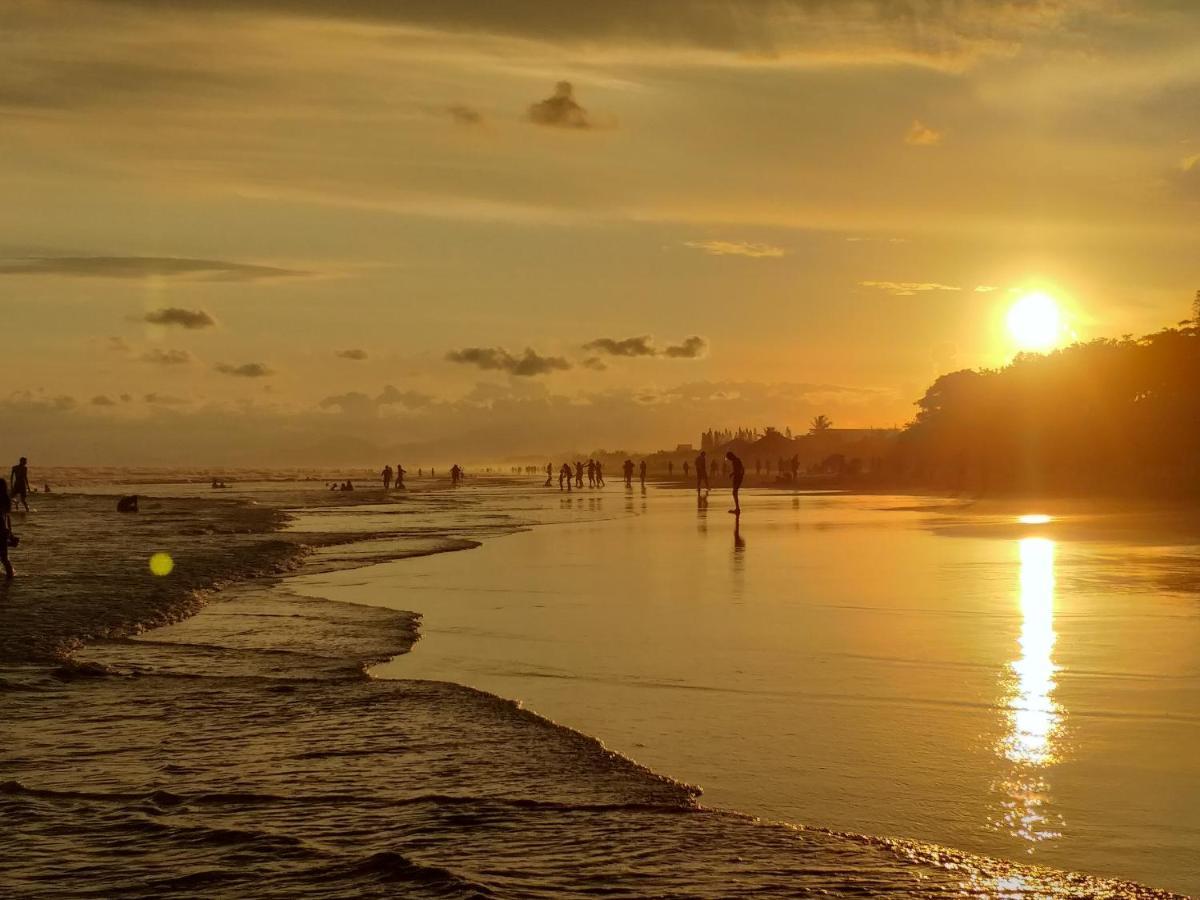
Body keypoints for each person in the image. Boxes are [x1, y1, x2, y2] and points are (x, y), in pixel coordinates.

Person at [0, 478, 15, 579]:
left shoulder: (3, 500)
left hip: (1, 531)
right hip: (4, 531)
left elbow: (4, 517)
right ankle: (10, 575)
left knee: (4, 558)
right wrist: (10, 532)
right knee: (4, 558)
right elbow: (7, 517)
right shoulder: (6, 500)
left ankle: (10, 576)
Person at [726, 450, 745, 515]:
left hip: (737, 478)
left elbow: (737, 470)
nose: (728, 459)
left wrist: (733, 474)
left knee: (734, 492)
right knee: (734, 492)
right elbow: (742, 469)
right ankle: (737, 508)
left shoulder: (735, 461)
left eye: (728, 458)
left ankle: (737, 508)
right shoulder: (738, 460)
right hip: (738, 478)